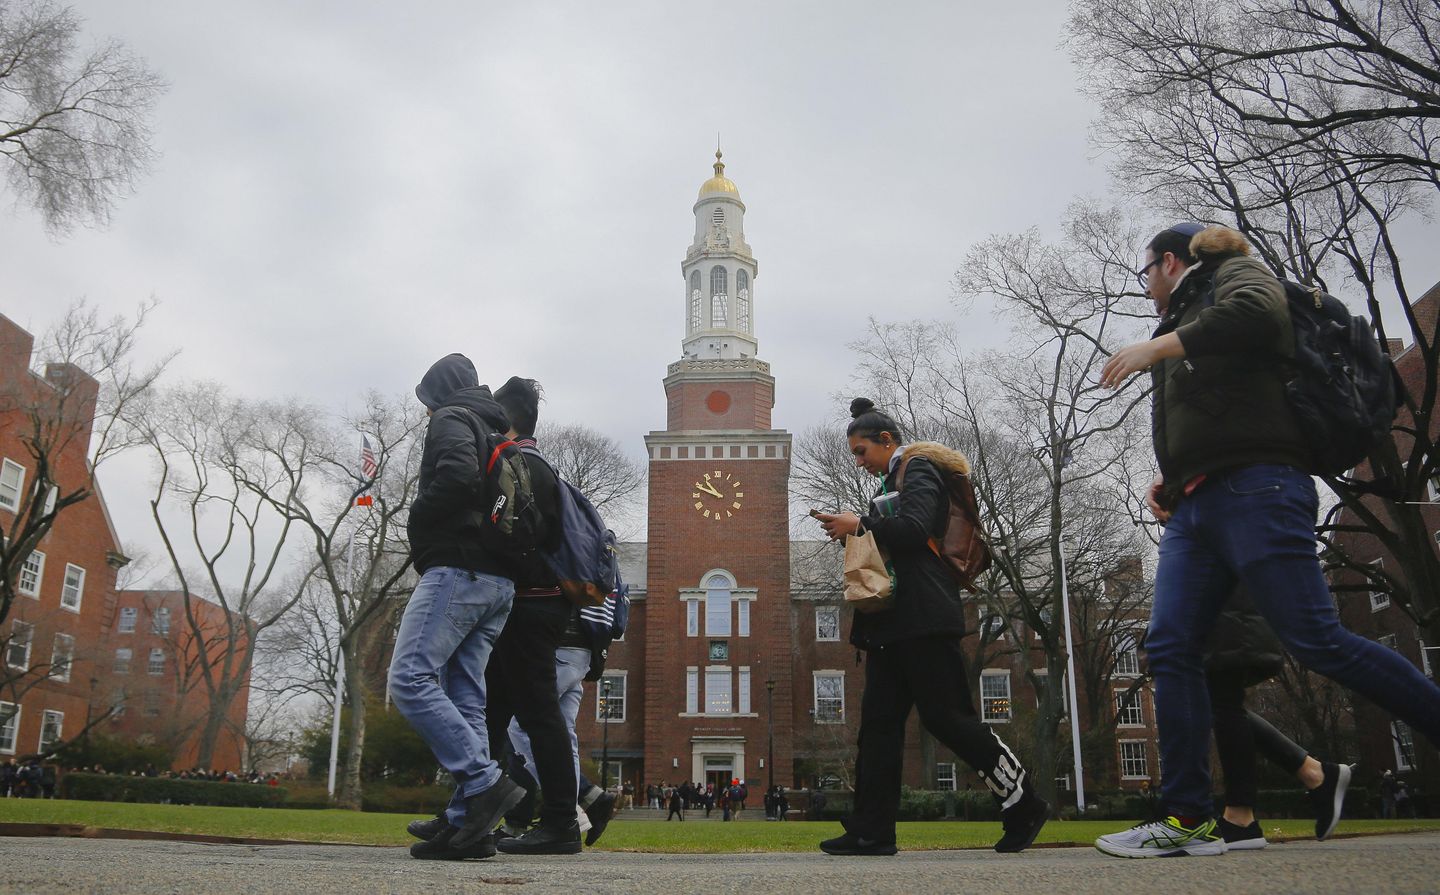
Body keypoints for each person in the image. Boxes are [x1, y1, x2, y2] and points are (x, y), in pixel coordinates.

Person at [1094, 224, 1440, 858]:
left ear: (1171, 262)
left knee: (1319, 640)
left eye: (1147, 273)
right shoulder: (1189, 318)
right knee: (1170, 648)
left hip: (1259, 489)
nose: (1145, 289)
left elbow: (1259, 313)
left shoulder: (1235, 277)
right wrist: (1170, 480)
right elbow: (1217, 411)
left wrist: (1160, 347)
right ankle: (1186, 819)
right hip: (1196, 504)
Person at [814, 399, 1049, 856]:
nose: (859, 463)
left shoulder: (919, 468)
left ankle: (1023, 802)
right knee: (879, 729)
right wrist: (858, 529)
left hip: (923, 620)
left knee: (948, 719)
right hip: (890, 626)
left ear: (887, 442)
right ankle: (871, 830)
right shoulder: (894, 478)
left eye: (862, 452)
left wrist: (859, 523)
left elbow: (915, 526)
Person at [389, 354, 524, 861]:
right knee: (465, 695)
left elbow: (458, 479)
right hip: (498, 581)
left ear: (437, 394)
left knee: (410, 678)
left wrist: (417, 519)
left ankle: (484, 783)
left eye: (426, 402)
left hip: (458, 570)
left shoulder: (452, 417)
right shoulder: (496, 428)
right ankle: (471, 826)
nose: (425, 412)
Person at [468, 376, 581, 857]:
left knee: (536, 713)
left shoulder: (518, 465)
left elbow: (514, 540)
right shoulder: (540, 466)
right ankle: (470, 813)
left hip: (529, 605)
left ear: (507, 420)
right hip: (537, 603)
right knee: (493, 714)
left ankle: (559, 823)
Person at [1203, 587, 1352, 848]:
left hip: (1226, 615)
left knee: (1223, 704)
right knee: (1220, 704)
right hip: (1232, 613)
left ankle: (1241, 817)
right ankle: (1313, 772)